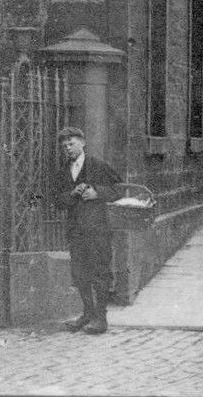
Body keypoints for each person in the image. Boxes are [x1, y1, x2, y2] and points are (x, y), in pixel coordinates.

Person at [53, 126, 121, 335]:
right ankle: (87, 314)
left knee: (100, 272)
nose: (68, 148)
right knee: (80, 274)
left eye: (71, 143)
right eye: (64, 146)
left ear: (83, 143)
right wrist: (72, 194)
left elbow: (119, 189)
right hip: (76, 231)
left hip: (98, 229)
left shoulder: (98, 165)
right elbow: (57, 201)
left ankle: (101, 319)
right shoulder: (63, 171)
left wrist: (97, 192)